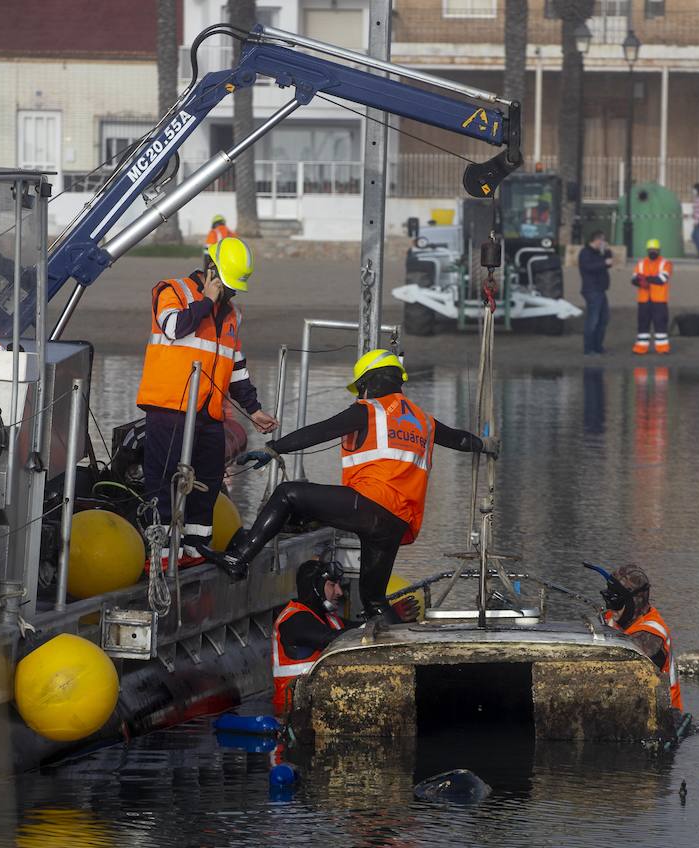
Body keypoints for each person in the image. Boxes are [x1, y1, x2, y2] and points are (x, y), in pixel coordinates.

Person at [208, 349, 494, 620]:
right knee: (374, 601)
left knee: (287, 494)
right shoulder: (424, 421)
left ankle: (238, 559)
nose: (360, 395)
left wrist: (273, 449)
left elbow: (320, 431)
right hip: (397, 522)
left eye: (360, 388)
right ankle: (393, 644)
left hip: (370, 505)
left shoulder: (369, 410)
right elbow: (459, 439)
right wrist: (486, 445)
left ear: (370, 382)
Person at [136, 236, 278, 566]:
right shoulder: (172, 290)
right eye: (228, 286)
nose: (232, 293)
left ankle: (195, 548)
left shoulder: (231, 314)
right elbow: (173, 328)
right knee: (163, 482)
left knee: (208, 483)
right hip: (170, 407)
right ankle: (162, 553)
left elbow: (235, 366)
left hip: (208, 412)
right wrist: (206, 301)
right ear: (211, 271)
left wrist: (254, 410)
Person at [272, 559, 351, 715]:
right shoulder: (295, 620)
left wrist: (382, 619)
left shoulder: (329, 619)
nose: (339, 592)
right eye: (332, 585)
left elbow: (355, 628)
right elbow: (332, 639)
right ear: (315, 588)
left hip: (318, 705)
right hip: (293, 711)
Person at [601, 564, 683, 711]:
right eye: (608, 598)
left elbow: (619, 672)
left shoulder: (651, 635)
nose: (610, 607)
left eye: (616, 602)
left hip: (663, 713)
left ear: (634, 602)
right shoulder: (614, 617)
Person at [631, 238, 673, 355]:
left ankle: (662, 348)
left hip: (659, 300)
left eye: (655, 250)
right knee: (643, 324)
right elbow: (633, 279)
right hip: (644, 300)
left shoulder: (665, 263)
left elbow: (662, 279)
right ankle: (641, 348)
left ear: (659, 251)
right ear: (647, 250)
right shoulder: (641, 263)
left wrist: (645, 279)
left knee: (660, 324)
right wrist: (639, 281)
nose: (652, 252)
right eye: (650, 250)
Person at [579, 231, 613, 355]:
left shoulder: (599, 252)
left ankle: (598, 346)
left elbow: (608, 263)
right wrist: (603, 263)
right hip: (591, 289)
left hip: (600, 289)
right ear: (596, 240)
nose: (603, 242)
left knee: (603, 319)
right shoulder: (585, 253)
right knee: (593, 320)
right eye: (602, 240)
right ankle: (589, 349)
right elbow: (588, 267)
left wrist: (607, 251)